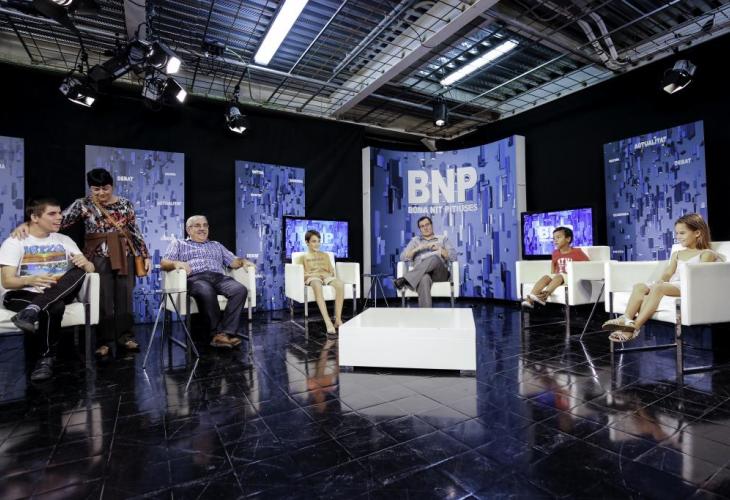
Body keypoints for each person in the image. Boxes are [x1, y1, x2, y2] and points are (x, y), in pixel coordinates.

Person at [11, 169, 151, 358]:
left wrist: (145, 255)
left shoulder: (126, 204)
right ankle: (103, 341)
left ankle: (126, 337)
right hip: (97, 256)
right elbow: (57, 221)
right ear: (90, 188)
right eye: (96, 189)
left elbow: (134, 230)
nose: (101, 193)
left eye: (105, 188)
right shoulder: (82, 204)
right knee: (101, 300)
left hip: (124, 255)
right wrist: (27, 225)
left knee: (125, 297)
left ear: (112, 186)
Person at [0, 198, 95, 381]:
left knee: (79, 271)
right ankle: (46, 359)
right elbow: (7, 282)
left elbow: (90, 269)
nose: (60, 217)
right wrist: (30, 279)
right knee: (55, 306)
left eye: (59, 213)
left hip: (59, 290)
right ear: (34, 217)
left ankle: (32, 311)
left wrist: (86, 263)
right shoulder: (15, 242)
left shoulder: (65, 240)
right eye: (52, 214)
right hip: (22, 294)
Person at [603, 213, 723, 342]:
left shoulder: (706, 254)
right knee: (639, 286)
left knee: (659, 288)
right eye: (677, 233)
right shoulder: (677, 254)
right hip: (673, 285)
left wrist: (661, 286)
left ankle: (634, 328)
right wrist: (661, 280)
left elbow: (701, 276)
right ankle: (625, 318)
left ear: (697, 233)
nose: (678, 237)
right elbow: (668, 273)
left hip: (689, 286)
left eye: (682, 233)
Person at [161, 215, 254, 349]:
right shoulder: (179, 244)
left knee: (240, 290)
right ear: (188, 229)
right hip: (196, 278)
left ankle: (224, 334)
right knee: (206, 290)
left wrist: (243, 261)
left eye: (205, 225)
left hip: (219, 277)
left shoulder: (216, 245)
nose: (202, 228)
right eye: (197, 225)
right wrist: (176, 263)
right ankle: (216, 333)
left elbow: (233, 262)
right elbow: (164, 263)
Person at [394, 216, 457, 308]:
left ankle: (405, 280)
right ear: (420, 229)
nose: (425, 228)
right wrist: (418, 248)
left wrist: (439, 249)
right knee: (424, 278)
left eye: (427, 224)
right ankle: (426, 313)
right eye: (422, 226)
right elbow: (402, 257)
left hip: (439, 274)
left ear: (431, 225)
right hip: (420, 275)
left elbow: (454, 257)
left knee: (434, 258)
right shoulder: (415, 241)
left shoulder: (443, 239)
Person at [521, 226, 589, 309]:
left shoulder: (577, 252)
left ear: (568, 239)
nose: (555, 240)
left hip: (570, 277)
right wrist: (551, 277)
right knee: (546, 277)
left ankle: (544, 296)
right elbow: (553, 265)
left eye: (558, 237)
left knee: (559, 276)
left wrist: (578, 273)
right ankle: (530, 300)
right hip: (558, 277)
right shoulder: (555, 253)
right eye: (554, 238)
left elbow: (587, 264)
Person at [298, 229, 345, 335]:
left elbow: (331, 271)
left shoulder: (325, 255)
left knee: (340, 284)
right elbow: (301, 274)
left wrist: (328, 275)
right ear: (307, 242)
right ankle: (328, 322)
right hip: (312, 277)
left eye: (318, 241)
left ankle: (338, 320)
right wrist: (313, 275)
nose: (317, 244)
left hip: (325, 276)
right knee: (316, 285)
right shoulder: (303, 257)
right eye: (314, 241)